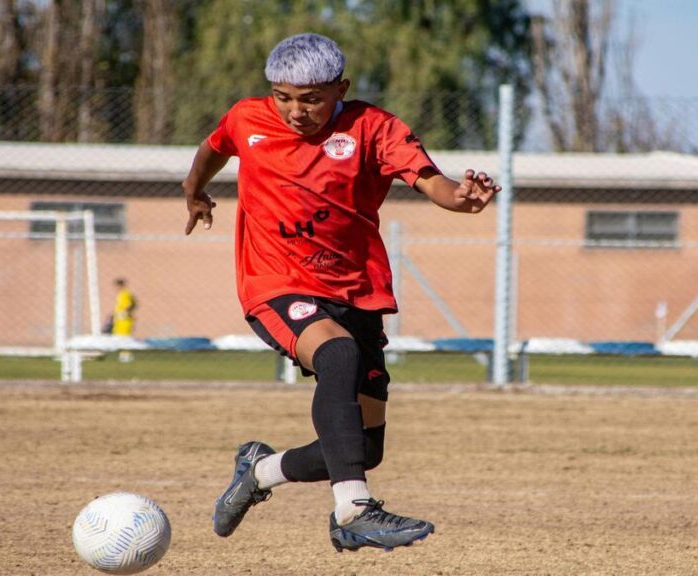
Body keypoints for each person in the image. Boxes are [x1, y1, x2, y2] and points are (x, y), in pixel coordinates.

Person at [181, 33, 501, 552]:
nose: (296, 110)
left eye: (311, 99)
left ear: (340, 89)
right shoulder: (248, 118)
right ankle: (353, 510)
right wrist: (194, 191)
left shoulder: (373, 128)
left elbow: (430, 180)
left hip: (357, 292)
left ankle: (259, 471)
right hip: (275, 284)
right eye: (283, 96)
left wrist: (462, 198)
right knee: (337, 353)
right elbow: (214, 148)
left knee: (363, 447)